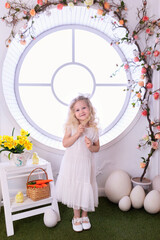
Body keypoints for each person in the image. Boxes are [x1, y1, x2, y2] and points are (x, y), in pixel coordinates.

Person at [56, 95, 100, 232]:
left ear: (89, 109)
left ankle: (85, 215)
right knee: (76, 188)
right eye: (77, 110)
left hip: (86, 164)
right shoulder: (71, 127)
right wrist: (77, 135)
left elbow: (97, 148)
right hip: (72, 164)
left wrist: (90, 146)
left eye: (84, 108)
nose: (81, 111)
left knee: (86, 187)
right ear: (73, 114)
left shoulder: (94, 129)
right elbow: (65, 143)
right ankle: (76, 217)